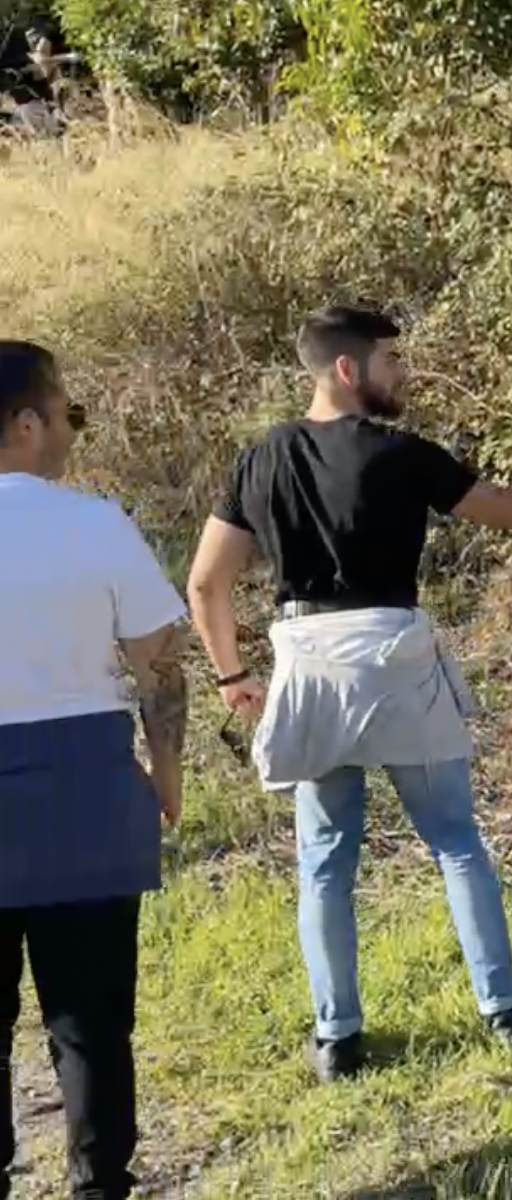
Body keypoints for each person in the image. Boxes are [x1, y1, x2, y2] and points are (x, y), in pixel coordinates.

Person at [184, 305, 512, 1081]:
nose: (402, 372)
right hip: (395, 658)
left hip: (306, 662)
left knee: (326, 861)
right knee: (456, 842)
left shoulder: (260, 458)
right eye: (390, 359)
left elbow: (205, 583)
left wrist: (232, 675)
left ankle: (338, 1037)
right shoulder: (400, 453)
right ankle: (505, 1011)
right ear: (347, 369)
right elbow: (506, 508)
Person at [1, 341, 186, 1199]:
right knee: (91, 1023)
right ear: (28, 423)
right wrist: (168, 773)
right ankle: (97, 1186)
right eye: (68, 413)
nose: (73, 431)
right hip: (84, 787)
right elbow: (157, 664)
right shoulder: (95, 523)